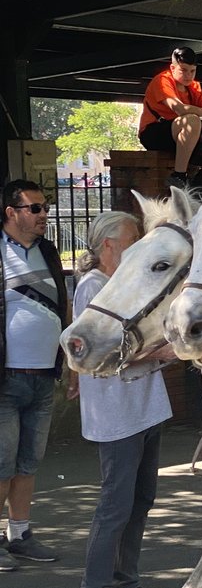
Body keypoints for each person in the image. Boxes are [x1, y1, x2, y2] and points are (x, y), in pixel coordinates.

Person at [74, 212, 172, 588]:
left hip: (146, 407)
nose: (138, 247)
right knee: (116, 505)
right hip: (118, 413)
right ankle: (97, 581)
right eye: (133, 240)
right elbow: (94, 350)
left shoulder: (126, 280)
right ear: (107, 245)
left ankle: (124, 576)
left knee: (141, 499)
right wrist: (157, 354)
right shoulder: (92, 285)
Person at [0, 180, 69, 569]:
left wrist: (68, 365)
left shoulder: (48, 251)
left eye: (45, 208)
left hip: (44, 376)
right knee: (1, 465)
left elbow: (63, 304)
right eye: (36, 208)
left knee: (28, 463)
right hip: (5, 380)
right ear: (12, 212)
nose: (45, 215)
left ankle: (20, 534)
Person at [137, 46, 202, 193]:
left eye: (192, 71)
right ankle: (179, 175)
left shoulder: (194, 86)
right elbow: (180, 109)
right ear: (172, 67)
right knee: (191, 120)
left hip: (182, 133)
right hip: (154, 132)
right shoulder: (162, 81)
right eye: (183, 70)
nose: (188, 76)